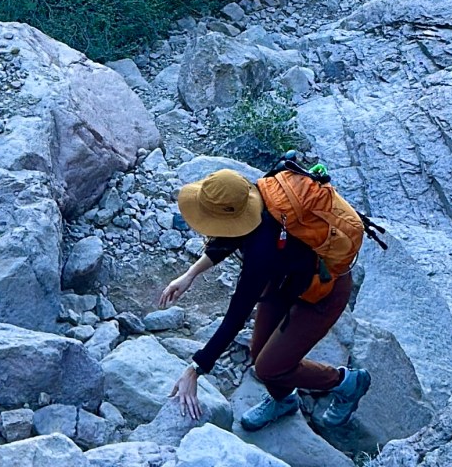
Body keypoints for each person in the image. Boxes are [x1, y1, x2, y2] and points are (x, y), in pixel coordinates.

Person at [159, 166, 371, 432]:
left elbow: (237, 315)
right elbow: (231, 239)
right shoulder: (256, 196)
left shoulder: (263, 249)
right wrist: (190, 274)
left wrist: (195, 369)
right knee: (259, 353)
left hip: (323, 290)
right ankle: (284, 400)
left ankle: (347, 382)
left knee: (268, 367)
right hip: (286, 279)